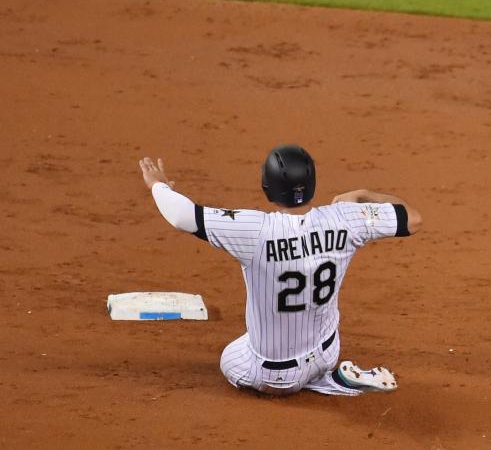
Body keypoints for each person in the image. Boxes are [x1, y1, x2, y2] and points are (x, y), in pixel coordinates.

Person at [139, 144, 422, 395]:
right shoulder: (346, 219)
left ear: (267, 188)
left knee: (231, 357)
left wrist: (158, 185)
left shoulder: (254, 230)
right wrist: (362, 194)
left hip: (275, 375)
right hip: (329, 351)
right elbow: (412, 218)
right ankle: (330, 377)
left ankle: (329, 384)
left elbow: (182, 216)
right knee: (276, 338)